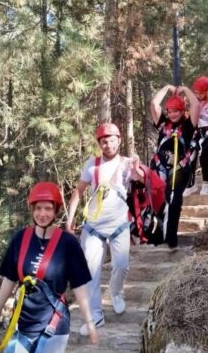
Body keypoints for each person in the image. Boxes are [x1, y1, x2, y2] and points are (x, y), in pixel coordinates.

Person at [0, 182, 97, 352]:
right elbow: (9, 280)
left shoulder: (68, 243)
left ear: (55, 211)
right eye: (38, 208)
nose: (42, 214)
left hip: (53, 326)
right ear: (32, 210)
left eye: (47, 208)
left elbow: (79, 286)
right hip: (23, 325)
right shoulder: (20, 239)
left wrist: (90, 322)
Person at [65, 123, 145, 336]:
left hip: (119, 224)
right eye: (103, 141)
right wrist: (70, 219)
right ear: (99, 144)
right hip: (93, 226)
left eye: (111, 140)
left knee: (121, 264)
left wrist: (138, 168)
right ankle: (95, 315)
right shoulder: (92, 164)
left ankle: (117, 292)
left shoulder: (128, 163)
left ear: (119, 140)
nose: (108, 144)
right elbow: (78, 192)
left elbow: (142, 179)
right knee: (90, 271)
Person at [149, 85, 201, 249]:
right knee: (158, 200)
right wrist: (166, 88)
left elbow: (196, 106)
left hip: (180, 168)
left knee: (174, 200)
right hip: (160, 165)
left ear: (182, 110)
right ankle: (157, 234)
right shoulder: (163, 124)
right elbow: (154, 104)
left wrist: (185, 89)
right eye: (170, 111)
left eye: (176, 111)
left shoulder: (188, 125)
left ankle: (171, 239)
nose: (172, 114)